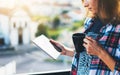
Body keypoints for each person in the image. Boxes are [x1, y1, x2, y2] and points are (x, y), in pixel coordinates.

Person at [50, 0, 120, 75]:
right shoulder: (90, 21)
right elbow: (90, 57)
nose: (85, 4)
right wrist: (66, 51)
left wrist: (100, 52)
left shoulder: (118, 28)